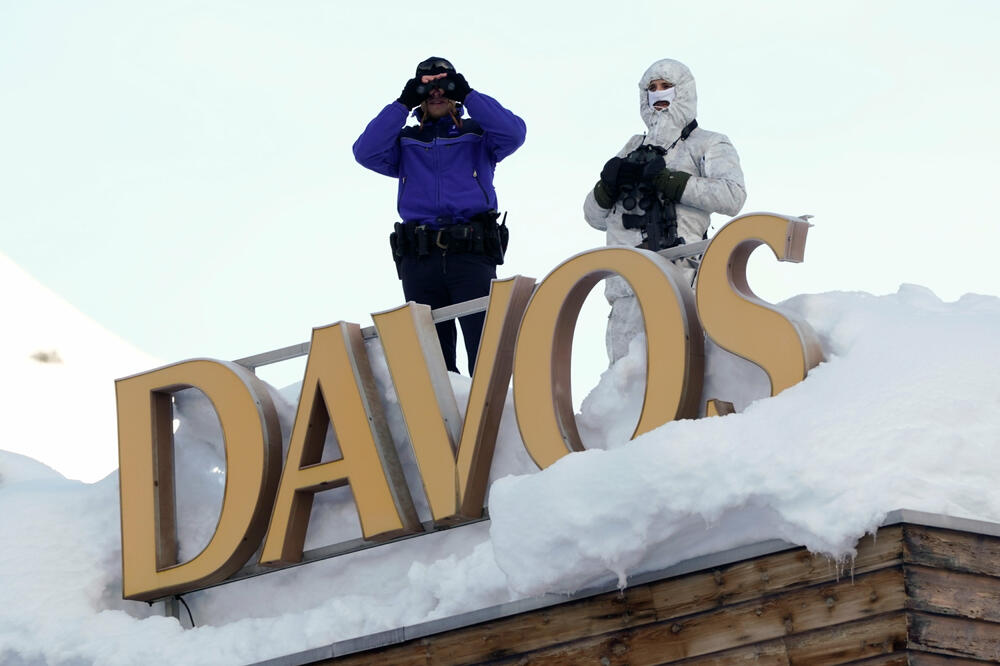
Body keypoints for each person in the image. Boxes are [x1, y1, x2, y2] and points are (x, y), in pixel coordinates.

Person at [353, 57, 526, 375]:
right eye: (427, 88)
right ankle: (443, 422)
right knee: (432, 362)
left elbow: (514, 133)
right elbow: (364, 151)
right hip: (419, 258)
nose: (436, 94)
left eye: (444, 86)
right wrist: (401, 104)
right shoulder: (405, 143)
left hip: (470, 253)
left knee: (485, 349)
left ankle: (489, 417)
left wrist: (469, 94)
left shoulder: (479, 136)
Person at [584, 58, 746, 364]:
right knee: (623, 387)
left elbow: (733, 195)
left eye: (666, 86)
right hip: (625, 289)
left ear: (682, 91)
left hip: (679, 278)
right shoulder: (632, 147)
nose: (658, 94)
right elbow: (593, 217)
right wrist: (607, 187)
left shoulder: (708, 143)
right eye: (651, 88)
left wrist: (671, 182)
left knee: (679, 372)